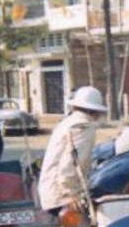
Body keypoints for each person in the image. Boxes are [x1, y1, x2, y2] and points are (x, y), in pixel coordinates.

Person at [38, 86, 107, 217]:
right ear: (94, 111)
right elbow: (71, 162)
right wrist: (70, 193)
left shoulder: (68, 122)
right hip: (62, 194)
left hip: (52, 191)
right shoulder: (83, 127)